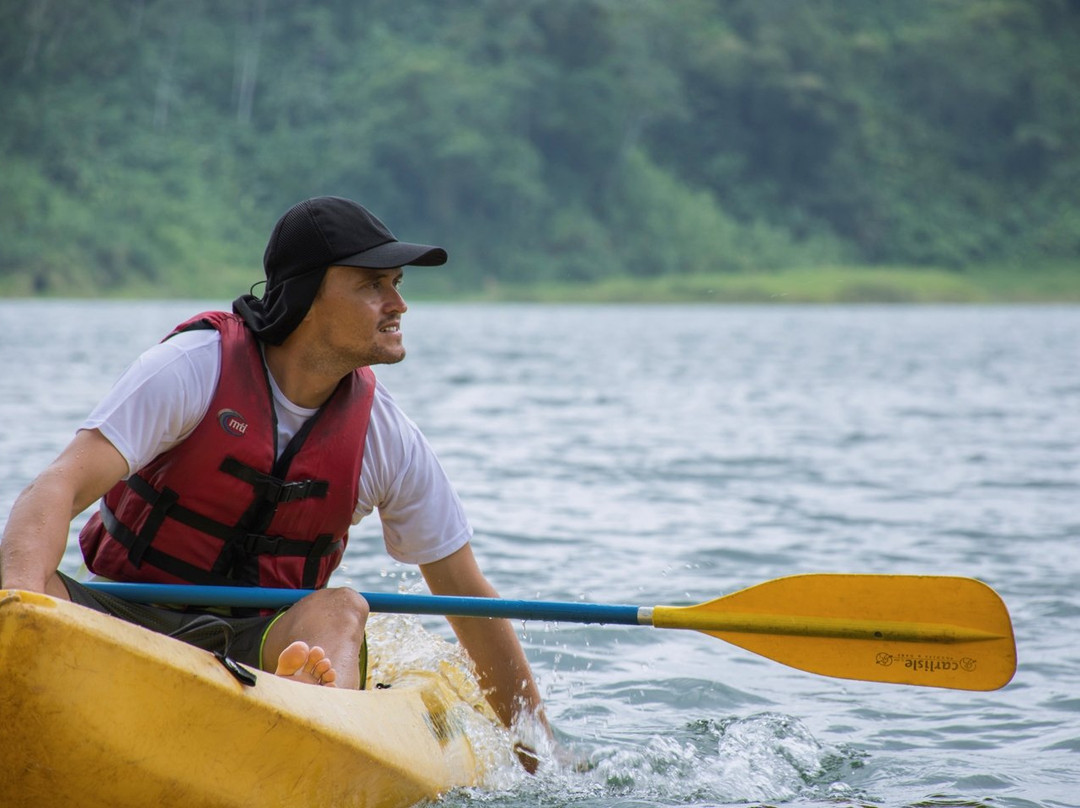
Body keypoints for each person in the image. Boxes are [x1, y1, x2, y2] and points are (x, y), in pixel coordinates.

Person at [0, 195, 549, 767]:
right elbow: (53, 489)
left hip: (267, 640)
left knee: (340, 607)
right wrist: (26, 615)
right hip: (125, 620)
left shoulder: (385, 437)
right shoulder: (194, 367)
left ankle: (310, 710)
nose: (398, 304)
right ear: (309, 296)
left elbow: (466, 594)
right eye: (372, 285)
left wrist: (537, 746)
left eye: (397, 282)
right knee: (11, 568)